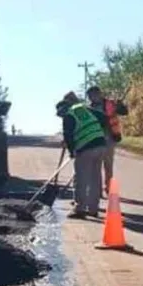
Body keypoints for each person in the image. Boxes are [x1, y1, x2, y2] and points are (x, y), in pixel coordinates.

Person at [57, 91, 108, 219]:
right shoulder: (84, 109)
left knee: (81, 179)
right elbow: (104, 118)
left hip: (86, 148)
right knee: (95, 178)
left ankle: (79, 209)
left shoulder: (69, 115)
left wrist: (72, 150)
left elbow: (68, 136)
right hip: (100, 144)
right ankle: (93, 209)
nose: (61, 117)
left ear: (63, 109)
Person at [85, 85, 128, 194]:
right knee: (96, 166)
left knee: (108, 165)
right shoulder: (89, 108)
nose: (90, 98)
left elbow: (124, 112)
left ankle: (109, 188)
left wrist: (120, 106)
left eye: (92, 95)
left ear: (99, 94)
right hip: (95, 139)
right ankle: (97, 190)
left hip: (109, 137)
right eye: (89, 96)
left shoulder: (110, 104)